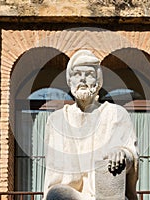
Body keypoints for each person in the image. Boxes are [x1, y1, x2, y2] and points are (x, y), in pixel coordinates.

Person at [43, 50, 138, 200]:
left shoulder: (116, 114)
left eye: (89, 74)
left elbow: (131, 155)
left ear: (97, 81)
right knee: (56, 195)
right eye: (77, 74)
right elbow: (52, 173)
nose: (82, 79)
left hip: (106, 194)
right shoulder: (57, 120)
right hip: (72, 196)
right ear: (70, 81)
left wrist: (122, 154)